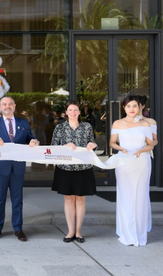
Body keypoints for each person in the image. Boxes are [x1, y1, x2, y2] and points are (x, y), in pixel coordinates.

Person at [0, 96, 39, 242]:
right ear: (0, 107)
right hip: (1, 167)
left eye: (10, 104)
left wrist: (34, 141)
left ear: (14, 106)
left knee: (17, 199)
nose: (7, 106)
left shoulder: (23, 123)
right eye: (4, 104)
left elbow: (29, 138)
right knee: (0, 198)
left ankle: (18, 228)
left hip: (18, 167)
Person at [109, 95, 155, 246]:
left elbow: (151, 145)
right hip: (124, 162)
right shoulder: (117, 123)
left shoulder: (145, 124)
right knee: (125, 197)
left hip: (141, 161)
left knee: (140, 198)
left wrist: (142, 150)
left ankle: (140, 235)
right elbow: (112, 143)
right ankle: (126, 234)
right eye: (129, 106)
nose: (132, 109)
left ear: (139, 107)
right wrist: (120, 148)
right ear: (124, 108)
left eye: (134, 106)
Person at [50, 101, 98, 243]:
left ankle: (78, 232)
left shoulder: (87, 126)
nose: (72, 112)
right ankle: (70, 231)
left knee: (81, 199)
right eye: (70, 110)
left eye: (75, 110)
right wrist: (64, 146)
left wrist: (93, 145)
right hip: (65, 168)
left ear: (79, 112)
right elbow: (53, 147)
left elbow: (93, 143)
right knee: (69, 199)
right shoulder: (59, 128)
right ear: (66, 113)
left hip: (83, 168)